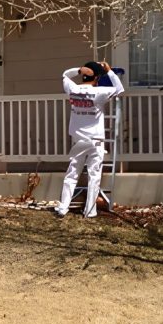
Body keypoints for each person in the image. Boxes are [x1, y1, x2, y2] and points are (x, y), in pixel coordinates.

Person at [55, 61, 124, 218]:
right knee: (94, 177)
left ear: (83, 76)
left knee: (72, 174)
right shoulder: (100, 92)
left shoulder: (73, 89)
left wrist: (79, 69)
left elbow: (65, 75)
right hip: (96, 140)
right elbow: (119, 89)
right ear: (97, 78)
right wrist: (109, 71)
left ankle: (63, 208)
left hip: (78, 141)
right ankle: (90, 211)